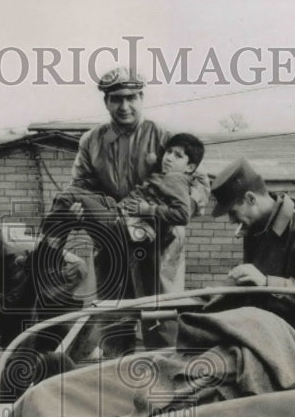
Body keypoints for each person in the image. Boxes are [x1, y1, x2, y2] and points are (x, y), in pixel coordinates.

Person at [68, 67, 211, 302]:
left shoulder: (165, 136)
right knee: (113, 315)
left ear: (141, 98)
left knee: (160, 315)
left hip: (160, 243)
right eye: (116, 99)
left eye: (131, 97)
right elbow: (81, 185)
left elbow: (200, 181)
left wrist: (177, 213)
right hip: (112, 238)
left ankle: (162, 338)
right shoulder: (91, 141)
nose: (124, 106)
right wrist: (81, 208)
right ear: (106, 102)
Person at [210, 157, 295, 331]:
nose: (232, 220)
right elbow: (257, 288)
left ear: (250, 198)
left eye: (233, 212)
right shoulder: (256, 230)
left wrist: (266, 282)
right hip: (275, 330)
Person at [48, 132, 206, 245]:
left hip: (122, 226)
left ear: (190, 167)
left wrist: (147, 210)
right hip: (119, 217)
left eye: (178, 156)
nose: (169, 157)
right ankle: (52, 241)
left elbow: (183, 214)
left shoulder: (175, 178)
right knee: (74, 196)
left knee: (69, 195)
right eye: (169, 152)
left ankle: (50, 244)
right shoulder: (167, 175)